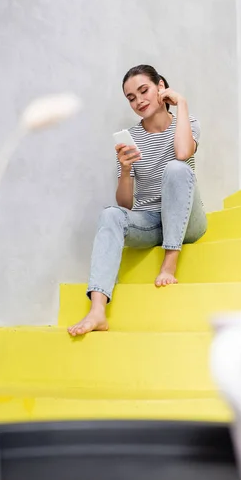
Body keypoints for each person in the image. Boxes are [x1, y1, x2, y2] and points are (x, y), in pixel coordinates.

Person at [68, 64, 207, 337]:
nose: (139, 100)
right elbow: (125, 205)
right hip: (151, 222)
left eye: (143, 90)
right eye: (131, 97)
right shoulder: (131, 139)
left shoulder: (187, 122)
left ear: (161, 87)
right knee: (110, 215)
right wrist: (126, 170)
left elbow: (182, 153)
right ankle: (97, 310)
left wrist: (182, 104)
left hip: (187, 220)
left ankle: (169, 261)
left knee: (176, 168)